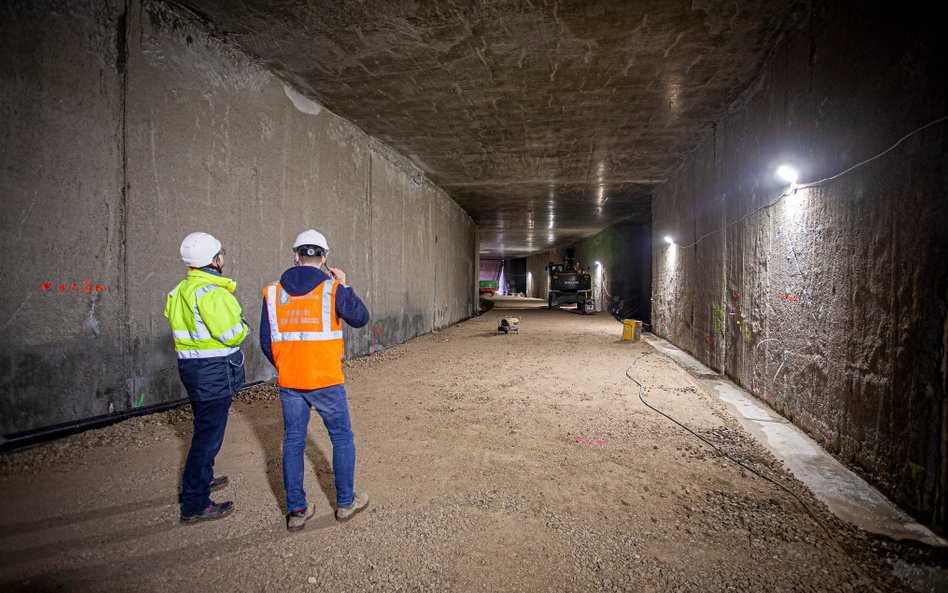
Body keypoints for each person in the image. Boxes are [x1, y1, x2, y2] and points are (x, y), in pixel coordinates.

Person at [259, 229, 370, 531]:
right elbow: (361, 318)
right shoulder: (332, 290)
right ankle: (345, 503)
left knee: (293, 442)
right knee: (341, 438)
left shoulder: (273, 292)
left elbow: (266, 341)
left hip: (290, 382)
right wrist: (344, 285)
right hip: (326, 380)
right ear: (324, 259)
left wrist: (287, 365)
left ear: (296, 255)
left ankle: (297, 511)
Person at [165, 232, 249, 523]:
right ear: (214, 260)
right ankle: (195, 503)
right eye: (221, 253)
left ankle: (202, 481)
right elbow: (232, 333)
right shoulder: (212, 293)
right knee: (207, 438)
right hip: (213, 373)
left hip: (193, 370)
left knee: (204, 429)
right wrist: (244, 326)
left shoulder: (180, 291)